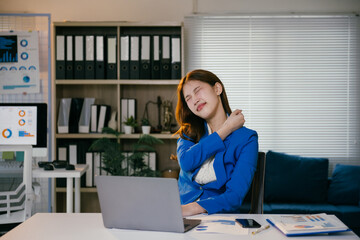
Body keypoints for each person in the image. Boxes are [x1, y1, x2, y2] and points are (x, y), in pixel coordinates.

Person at [175, 69, 258, 217]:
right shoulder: (188, 133)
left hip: (217, 217)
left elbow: (234, 197)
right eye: (188, 98)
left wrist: (192, 209)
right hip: (179, 214)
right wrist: (226, 129)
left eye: (198, 90)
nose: (195, 100)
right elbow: (186, 162)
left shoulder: (247, 139)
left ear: (217, 88)